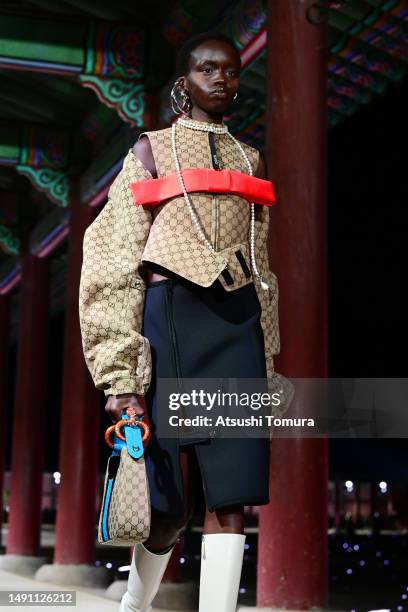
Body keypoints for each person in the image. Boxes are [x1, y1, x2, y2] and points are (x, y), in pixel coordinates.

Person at [79, 31, 281, 612]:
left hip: (237, 322)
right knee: (166, 505)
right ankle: (135, 606)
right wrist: (121, 378)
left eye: (232, 71)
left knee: (234, 490)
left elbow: (262, 264)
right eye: (207, 69)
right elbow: (113, 258)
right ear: (183, 82)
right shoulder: (149, 152)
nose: (222, 79)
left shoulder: (251, 159)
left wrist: (266, 352)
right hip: (171, 319)